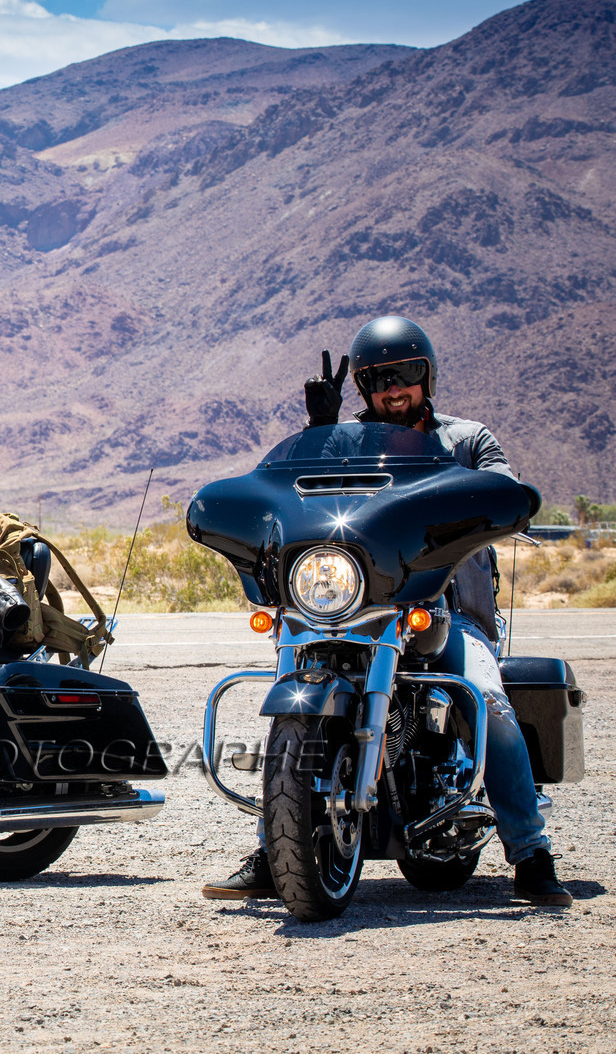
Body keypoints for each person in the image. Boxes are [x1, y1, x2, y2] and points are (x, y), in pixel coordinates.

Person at [202, 315, 572, 906]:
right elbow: (303, 502)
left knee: (489, 700)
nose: (392, 390)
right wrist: (317, 430)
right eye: (377, 380)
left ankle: (531, 853)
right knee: (293, 694)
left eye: (403, 376)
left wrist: (497, 500)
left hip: (446, 611)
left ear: (426, 377)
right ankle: (280, 849)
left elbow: (503, 488)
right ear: (363, 389)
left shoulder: (467, 441)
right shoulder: (345, 444)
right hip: (351, 608)